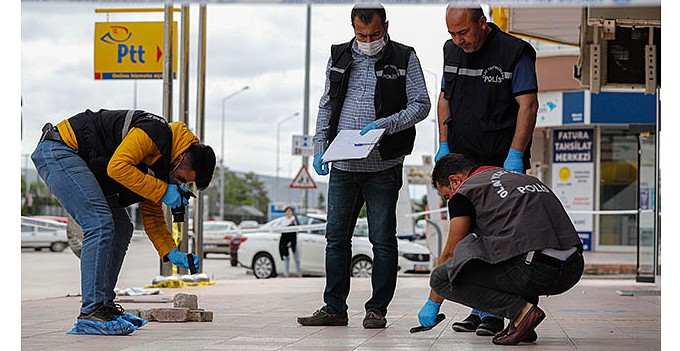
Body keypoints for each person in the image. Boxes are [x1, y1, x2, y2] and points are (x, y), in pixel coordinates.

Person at [297, 4, 430, 329]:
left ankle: (376, 310)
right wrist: (319, 148)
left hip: (383, 165)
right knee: (336, 238)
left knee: (382, 239)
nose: (368, 40)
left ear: (386, 25)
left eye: (374, 34)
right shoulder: (340, 55)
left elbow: (422, 104)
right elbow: (327, 102)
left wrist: (387, 124)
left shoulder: (403, 57)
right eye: (361, 34)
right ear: (353, 28)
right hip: (343, 162)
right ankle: (334, 308)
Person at [31, 109, 216, 335]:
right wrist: (163, 190)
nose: (180, 184)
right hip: (61, 151)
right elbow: (117, 167)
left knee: (122, 227)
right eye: (182, 179)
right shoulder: (154, 131)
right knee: (99, 223)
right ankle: (92, 311)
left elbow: (154, 217)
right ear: (179, 159)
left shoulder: (162, 166)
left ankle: (104, 306)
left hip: (83, 163)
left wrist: (172, 252)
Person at [433, 5, 540, 335]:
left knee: (506, 237)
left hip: (501, 158)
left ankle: (509, 314)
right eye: (452, 33)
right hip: (464, 161)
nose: (458, 39)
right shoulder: (451, 50)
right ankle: (482, 309)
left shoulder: (514, 52)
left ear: (483, 23)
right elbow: (444, 98)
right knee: (471, 236)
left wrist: (515, 154)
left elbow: (528, 104)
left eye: (463, 32)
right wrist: (444, 143)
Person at [416, 153, 584, 345]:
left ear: (454, 180)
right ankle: (522, 325)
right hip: (572, 269)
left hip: (536, 269)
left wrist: (433, 302)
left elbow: (450, 253)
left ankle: (520, 313)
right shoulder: (522, 179)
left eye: (446, 195)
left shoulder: (465, 191)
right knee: (511, 250)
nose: (449, 199)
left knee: (441, 278)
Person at [274, 206, 302, 277]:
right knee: (285, 257)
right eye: (287, 211)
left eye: (290, 211)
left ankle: (299, 273)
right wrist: (286, 226)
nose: (288, 213)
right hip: (285, 239)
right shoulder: (282, 220)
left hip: (294, 239)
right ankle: (286, 274)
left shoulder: (295, 219)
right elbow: (275, 227)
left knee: (297, 257)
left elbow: (300, 228)